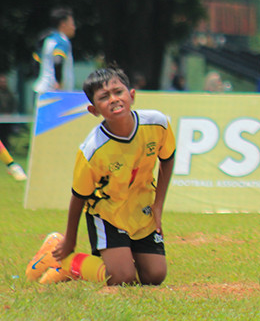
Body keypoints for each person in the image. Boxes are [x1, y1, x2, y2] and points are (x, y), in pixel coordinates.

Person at [25, 66, 176, 286]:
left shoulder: (157, 123)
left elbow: (168, 158)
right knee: (122, 278)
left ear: (132, 95)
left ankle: (118, 259)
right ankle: (66, 262)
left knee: (154, 276)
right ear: (93, 110)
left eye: (118, 92)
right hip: (107, 215)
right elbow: (79, 197)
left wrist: (158, 204)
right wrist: (70, 240)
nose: (113, 99)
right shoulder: (92, 150)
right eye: (104, 97)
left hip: (141, 209)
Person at [34, 7, 76, 94]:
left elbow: (36, 61)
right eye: (72, 24)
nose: (74, 27)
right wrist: (58, 83)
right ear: (63, 24)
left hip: (42, 88)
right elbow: (58, 60)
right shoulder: (62, 40)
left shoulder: (47, 40)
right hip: (55, 91)